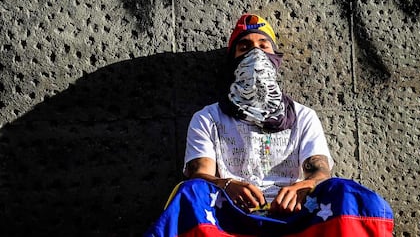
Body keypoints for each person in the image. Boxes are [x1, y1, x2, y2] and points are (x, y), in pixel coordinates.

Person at [145, 14, 394, 236]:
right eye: (245, 47)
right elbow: (200, 174)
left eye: (263, 45)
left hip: (296, 215)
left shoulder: (303, 116)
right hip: (231, 216)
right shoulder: (208, 117)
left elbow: (320, 171)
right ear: (233, 62)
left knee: (343, 191)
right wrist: (229, 186)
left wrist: (304, 186)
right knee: (190, 192)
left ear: (275, 58)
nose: (256, 53)